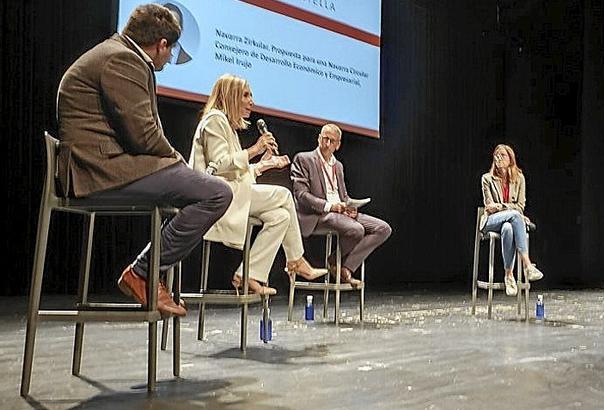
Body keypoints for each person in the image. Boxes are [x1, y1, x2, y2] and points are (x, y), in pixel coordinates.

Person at [56, 3, 232, 317]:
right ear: (162, 44)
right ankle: (143, 272)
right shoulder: (123, 59)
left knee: (199, 188)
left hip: (105, 165)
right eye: (172, 49)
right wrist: (176, 159)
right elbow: (144, 135)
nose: (170, 56)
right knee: (216, 192)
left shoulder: (119, 53)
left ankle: (148, 271)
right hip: (99, 171)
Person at [189, 75, 328, 295]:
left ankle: (248, 275)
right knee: (284, 195)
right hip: (216, 196)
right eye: (245, 95)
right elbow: (219, 165)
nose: (251, 101)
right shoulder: (214, 120)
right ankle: (296, 260)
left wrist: (264, 165)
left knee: (281, 217)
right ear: (230, 95)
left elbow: (236, 172)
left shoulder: (227, 125)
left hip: (232, 192)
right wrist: (255, 149)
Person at [290, 124, 392, 287]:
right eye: (325, 139)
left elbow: (342, 196)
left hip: (340, 212)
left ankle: (343, 266)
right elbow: (301, 195)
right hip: (318, 214)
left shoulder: (339, 166)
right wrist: (331, 206)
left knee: (383, 229)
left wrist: (349, 207)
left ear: (338, 145)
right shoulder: (304, 159)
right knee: (356, 229)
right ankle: (336, 263)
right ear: (319, 138)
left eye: (332, 141)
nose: (327, 143)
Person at [479, 144, 543, 296]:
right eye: (497, 155)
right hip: (490, 221)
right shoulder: (487, 179)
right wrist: (507, 208)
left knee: (508, 227)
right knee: (514, 216)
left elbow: (520, 206)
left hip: (509, 222)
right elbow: (489, 207)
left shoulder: (519, 179)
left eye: (503, 155)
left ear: (510, 159)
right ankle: (527, 265)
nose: (499, 158)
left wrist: (501, 207)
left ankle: (509, 275)